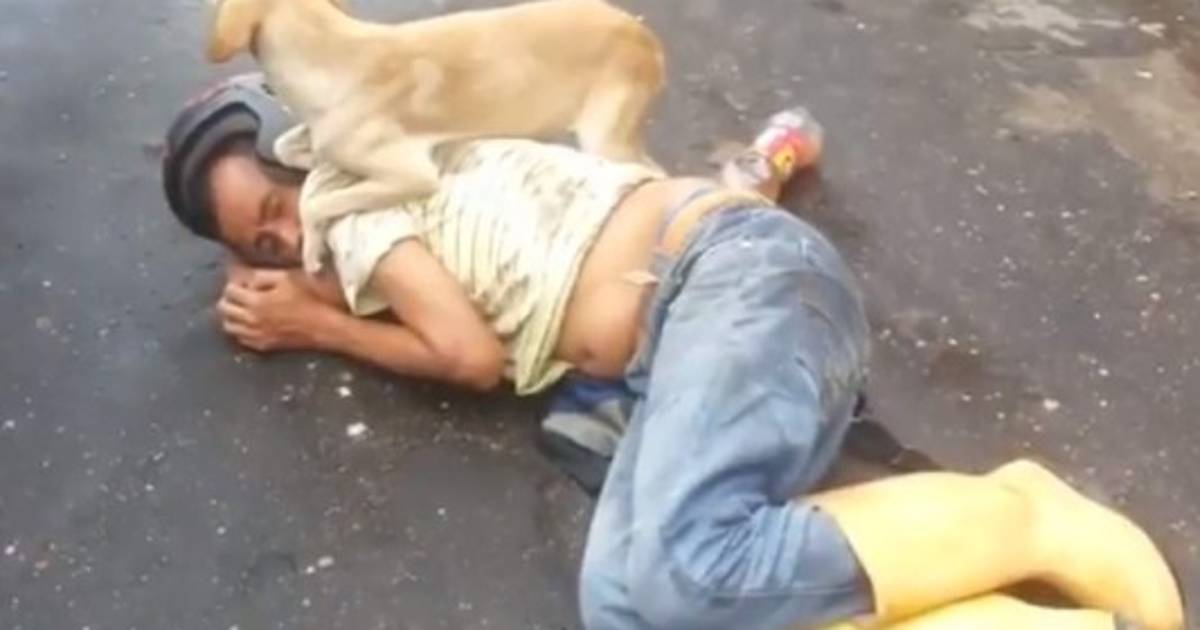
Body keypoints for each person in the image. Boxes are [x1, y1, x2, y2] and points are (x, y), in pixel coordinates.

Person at [160, 74, 1185, 630]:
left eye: (278, 209)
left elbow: (466, 354)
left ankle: (1024, 514)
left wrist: (318, 326)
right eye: (261, 246)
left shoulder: (359, 208)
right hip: (713, 311)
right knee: (627, 607)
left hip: (731, 280)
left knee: (683, 574)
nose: (288, 239)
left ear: (308, 154)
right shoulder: (405, 163)